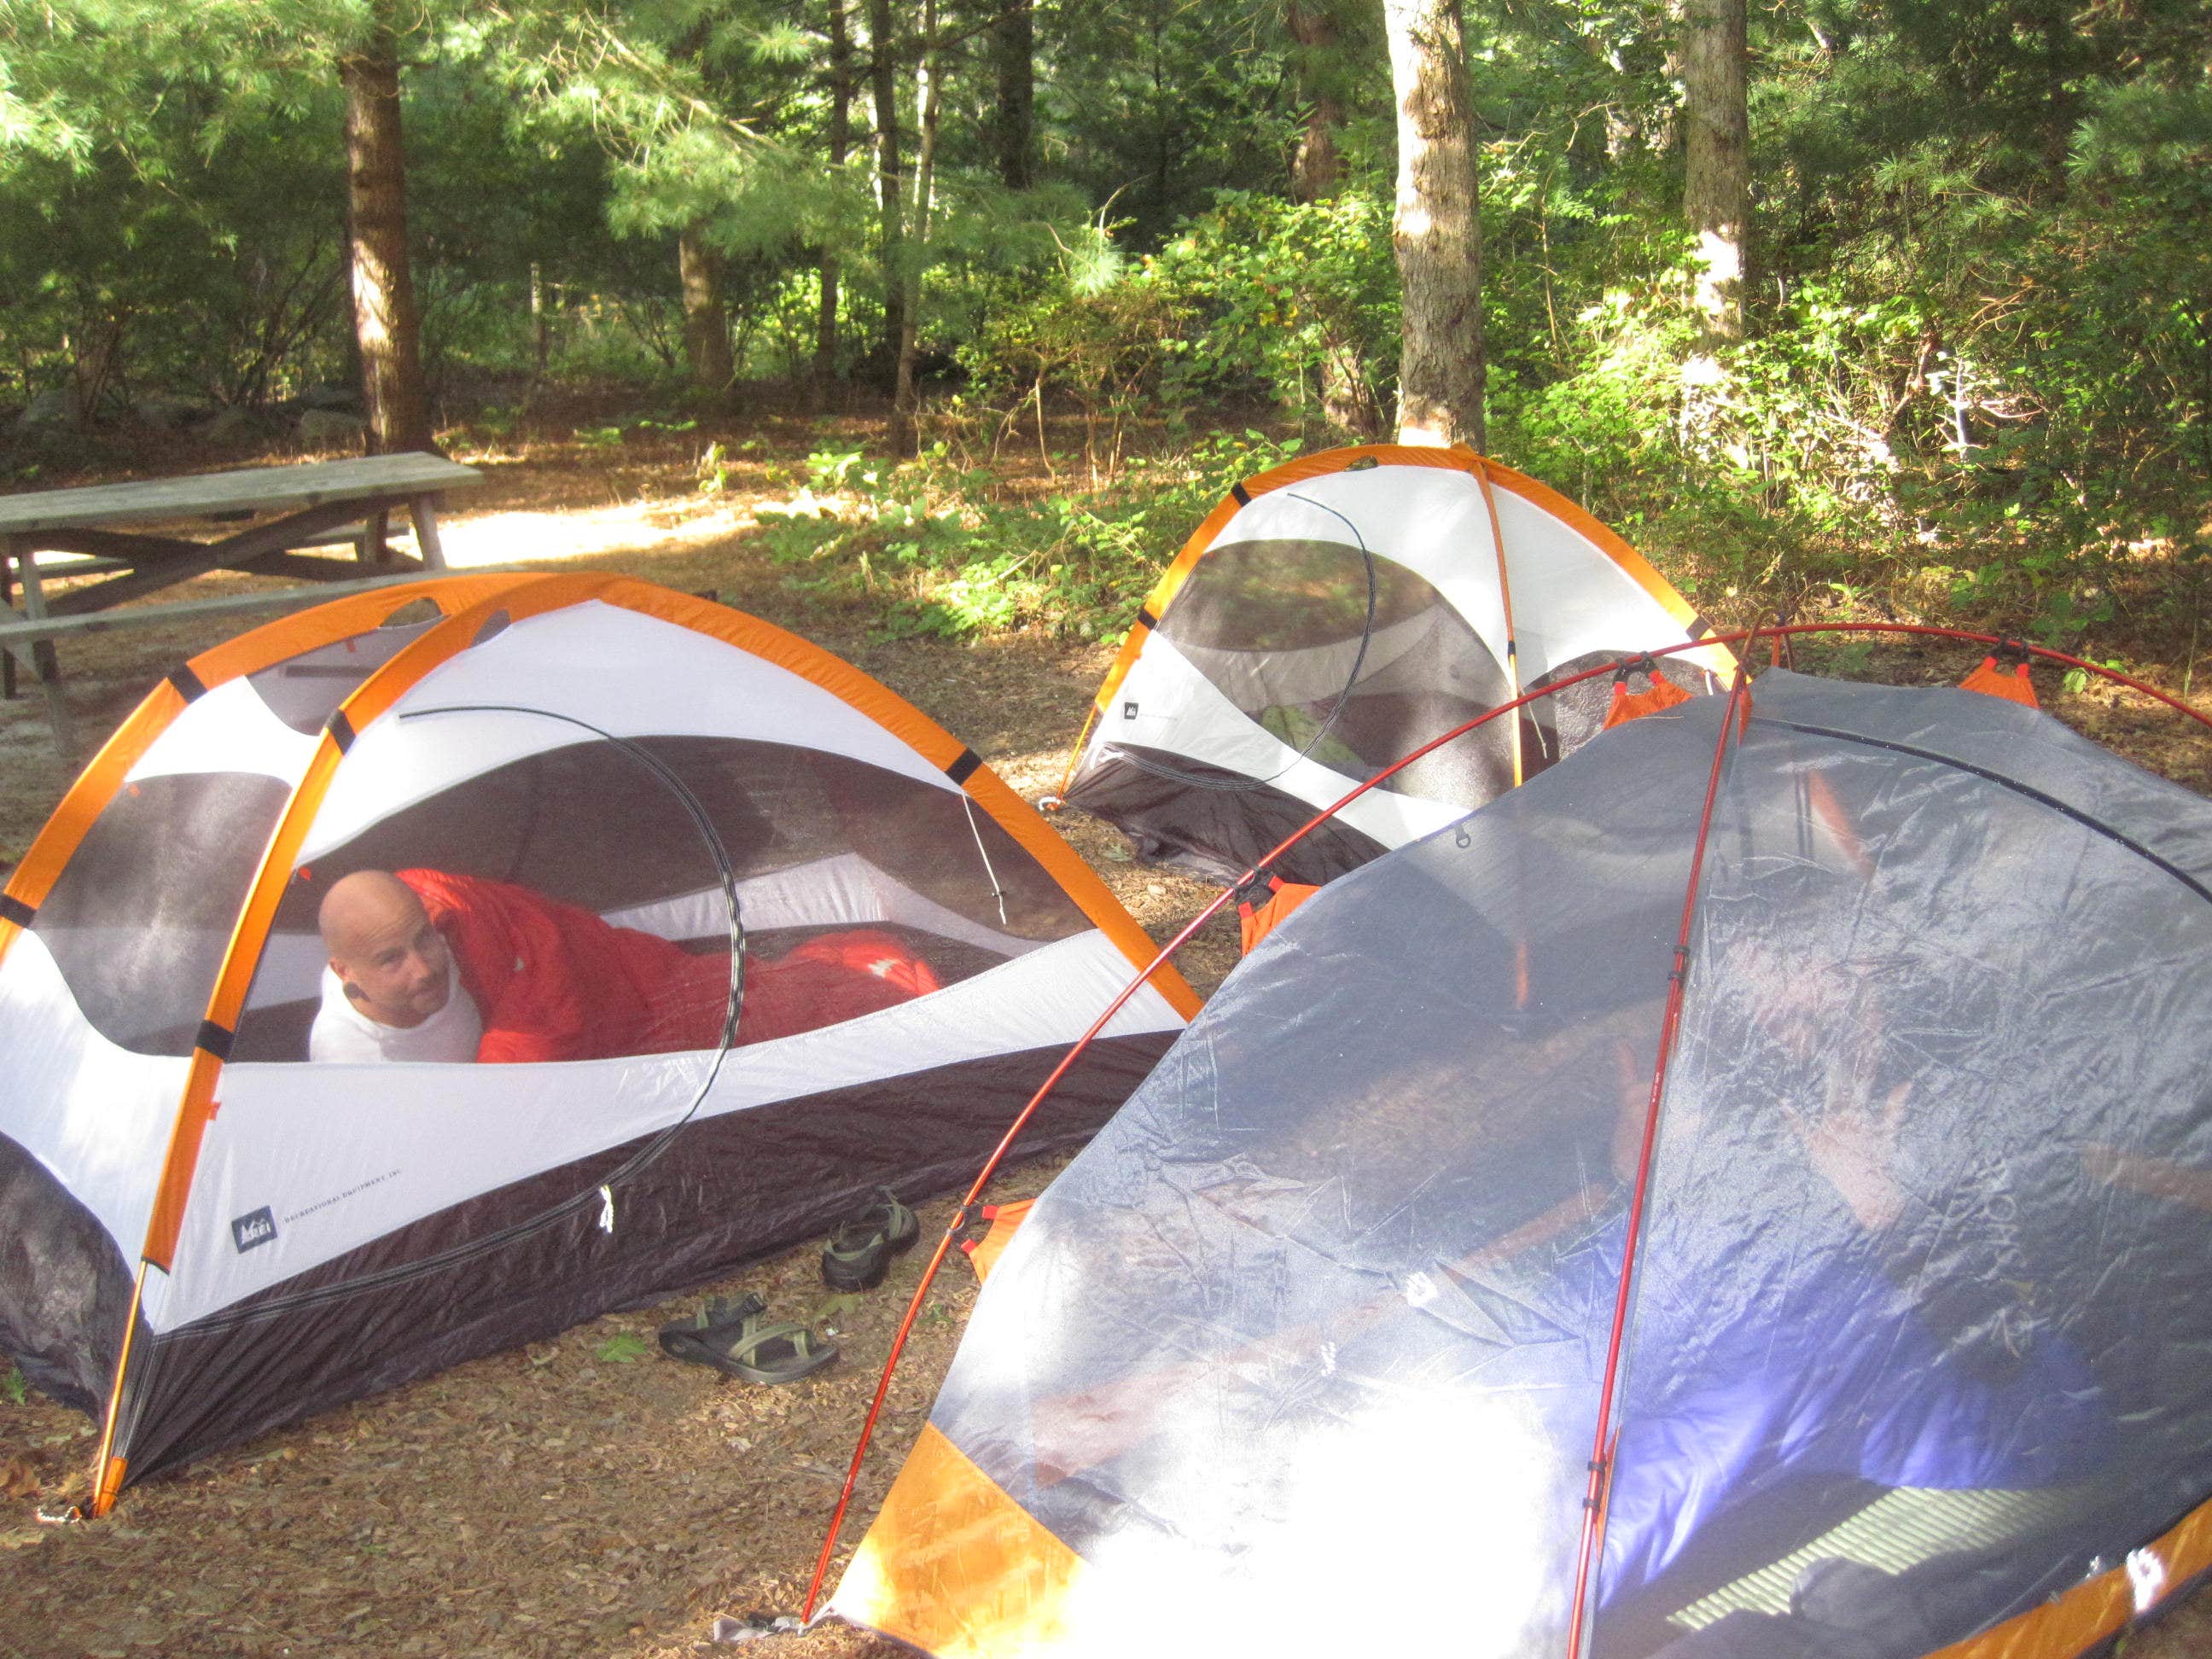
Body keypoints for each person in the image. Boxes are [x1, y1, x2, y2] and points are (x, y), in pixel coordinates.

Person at [311, 867, 940, 1064]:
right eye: (391, 960)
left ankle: (869, 978)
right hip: (594, 1048)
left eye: (425, 940)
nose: (423, 970)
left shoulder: (459, 931)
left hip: (634, 990)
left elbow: (541, 950)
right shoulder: (348, 1057)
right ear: (347, 974)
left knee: (769, 1006)